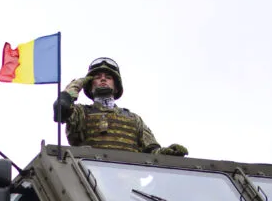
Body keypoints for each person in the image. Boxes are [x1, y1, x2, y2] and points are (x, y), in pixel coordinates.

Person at [52, 57, 188, 156]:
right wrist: (76, 84)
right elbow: (61, 109)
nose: (103, 79)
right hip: (89, 181)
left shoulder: (133, 119)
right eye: (97, 77)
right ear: (90, 85)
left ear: (116, 87)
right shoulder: (81, 113)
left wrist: (167, 153)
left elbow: (151, 152)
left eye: (108, 77)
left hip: (125, 184)